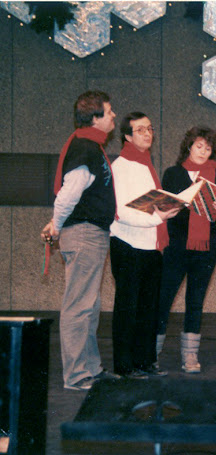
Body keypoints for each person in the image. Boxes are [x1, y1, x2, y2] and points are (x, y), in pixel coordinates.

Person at [40, 90, 121, 391]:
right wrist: (57, 225)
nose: (114, 115)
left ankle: (91, 368)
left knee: (90, 304)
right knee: (79, 306)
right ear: (96, 117)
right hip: (85, 233)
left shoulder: (90, 146)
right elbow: (69, 193)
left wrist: (57, 224)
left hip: (91, 233)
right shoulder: (86, 148)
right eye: (109, 111)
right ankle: (76, 375)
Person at [109, 112, 180, 379]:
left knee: (148, 306)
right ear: (127, 136)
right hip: (127, 243)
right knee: (128, 307)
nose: (147, 133)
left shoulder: (146, 165)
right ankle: (125, 365)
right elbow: (120, 211)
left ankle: (145, 361)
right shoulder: (121, 166)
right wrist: (156, 217)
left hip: (150, 245)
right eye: (140, 130)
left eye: (149, 128)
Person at [156, 127, 216, 373]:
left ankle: (190, 356)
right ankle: (152, 352)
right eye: (199, 146)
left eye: (208, 148)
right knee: (163, 300)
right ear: (189, 146)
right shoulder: (173, 173)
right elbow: (164, 208)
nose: (203, 151)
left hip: (205, 249)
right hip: (176, 247)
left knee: (195, 302)